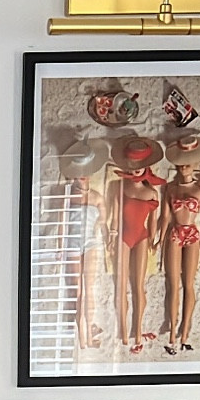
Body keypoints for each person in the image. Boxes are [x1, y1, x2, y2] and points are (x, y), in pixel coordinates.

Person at [107, 136, 167, 354]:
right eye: (131, 168)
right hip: (123, 236)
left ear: (146, 168)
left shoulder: (151, 193)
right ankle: (123, 330)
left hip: (141, 237)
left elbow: (153, 220)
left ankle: (138, 329)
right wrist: (113, 236)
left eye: (138, 168)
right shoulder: (120, 188)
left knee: (138, 285)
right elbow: (115, 216)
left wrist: (153, 239)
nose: (134, 173)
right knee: (120, 285)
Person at [161, 134, 200, 355]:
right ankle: (173, 333)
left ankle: (185, 333)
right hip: (175, 233)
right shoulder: (170, 189)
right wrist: (159, 237)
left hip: (192, 234)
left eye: (188, 163)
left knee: (189, 284)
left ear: (194, 164)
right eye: (180, 164)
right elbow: (165, 217)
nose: (184, 167)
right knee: (173, 284)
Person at [56, 140, 109, 353]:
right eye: (79, 173)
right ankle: (83, 335)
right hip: (72, 244)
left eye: (86, 172)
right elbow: (60, 224)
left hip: (91, 242)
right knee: (77, 289)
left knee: (89, 287)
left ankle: (88, 327)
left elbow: (103, 221)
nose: (83, 177)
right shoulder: (68, 198)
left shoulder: (96, 197)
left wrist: (106, 232)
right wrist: (60, 247)